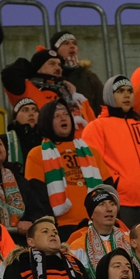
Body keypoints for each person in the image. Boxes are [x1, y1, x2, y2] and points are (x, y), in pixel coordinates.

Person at [82, 75, 140, 227]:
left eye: (129, 91)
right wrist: (113, 190)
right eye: (120, 91)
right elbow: (93, 167)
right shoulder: (96, 127)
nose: (126, 95)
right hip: (120, 203)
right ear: (108, 96)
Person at [24, 100, 111, 239]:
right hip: (62, 228)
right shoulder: (37, 154)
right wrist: (51, 227)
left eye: (66, 114)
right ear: (46, 121)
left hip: (98, 225)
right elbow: (37, 195)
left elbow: (108, 189)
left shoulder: (91, 152)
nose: (63, 118)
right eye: (56, 116)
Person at [1, 48, 97, 135]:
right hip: (47, 146)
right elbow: (9, 73)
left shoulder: (76, 96)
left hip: (83, 146)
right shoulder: (27, 89)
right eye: (52, 63)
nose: (58, 68)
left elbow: (93, 125)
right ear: (38, 68)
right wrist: (32, 68)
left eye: (59, 65)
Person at [67, 185, 131, 279]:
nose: (109, 209)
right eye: (102, 204)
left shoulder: (129, 240)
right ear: (91, 214)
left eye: (112, 204)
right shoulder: (77, 246)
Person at [49, 31, 103, 112]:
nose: (72, 46)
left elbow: (102, 106)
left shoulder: (89, 76)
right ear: (56, 50)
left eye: (74, 43)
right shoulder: (50, 78)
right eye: (66, 43)